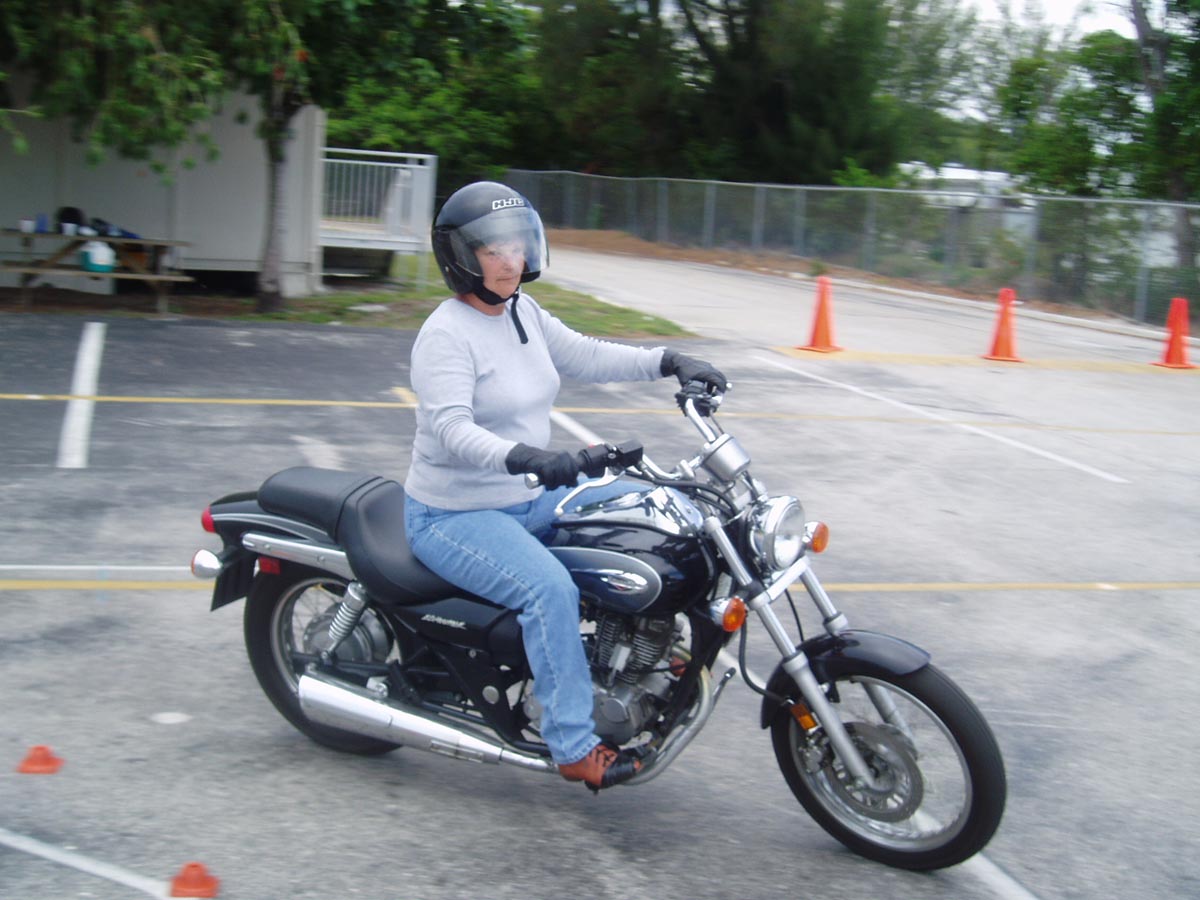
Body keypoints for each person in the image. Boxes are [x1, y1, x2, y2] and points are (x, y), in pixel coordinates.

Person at [403, 181, 727, 790]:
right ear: (461, 257)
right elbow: (451, 429)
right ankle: (572, 743)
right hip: (454, 514)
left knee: (650, 510)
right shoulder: (446, 334)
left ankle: (643, 651)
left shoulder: (521, 313)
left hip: (529, 497)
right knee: (548, 590)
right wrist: (529, 457)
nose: (510, 261)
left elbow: (587, 354)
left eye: (516, 247)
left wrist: (670, 361)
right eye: (493, 250)